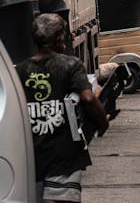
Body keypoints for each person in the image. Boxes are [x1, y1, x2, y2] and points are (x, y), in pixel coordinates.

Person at [16, 13, 109, 203]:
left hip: (31, 155)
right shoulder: (70, 65)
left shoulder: (20, 70)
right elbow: (88, 98)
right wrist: (102, 123)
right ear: (59, 38)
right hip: (64, 155)